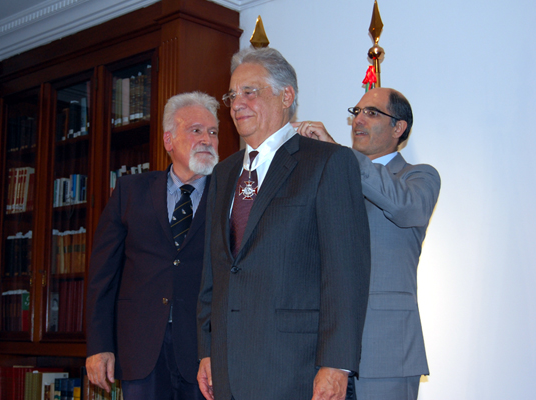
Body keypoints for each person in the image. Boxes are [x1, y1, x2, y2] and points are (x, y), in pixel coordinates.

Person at [196, 47, 371, 400]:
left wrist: (336, 364)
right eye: (232, 95)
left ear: (286, 95)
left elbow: (345, 274)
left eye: (250, 92)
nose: (237, 103)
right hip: (228, 370)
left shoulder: (327, 162)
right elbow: (213, 272)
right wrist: (207, 349)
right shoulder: (224, 172)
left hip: (298, 371)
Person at [294, 87, 441, 400]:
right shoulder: (330, 177)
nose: (358, 119)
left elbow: (405, 208)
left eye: (371, 113)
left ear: (398, 127)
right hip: (323, 353)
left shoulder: (418, 177)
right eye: (356, 112)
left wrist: (341, 157)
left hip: (386, 352)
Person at [86, 91, 221, 400]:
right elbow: (102, 275)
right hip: (140, 348)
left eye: (213, 132)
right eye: (196, 130)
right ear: (168, 140)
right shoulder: (130, 191)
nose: (207, 139)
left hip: (205, 352)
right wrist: (99, 345)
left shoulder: (229, 196)